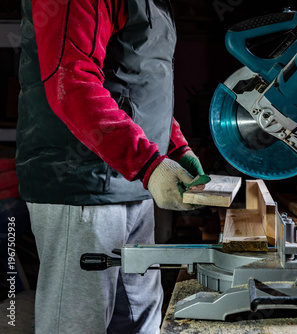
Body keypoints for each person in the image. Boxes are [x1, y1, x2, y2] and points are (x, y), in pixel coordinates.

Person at [15, 0, 208, 332]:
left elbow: (136, 85)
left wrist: (174, 148)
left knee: (140, 322)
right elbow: (72, 83)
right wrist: (147, 162)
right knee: (75, 326)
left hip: (132, 182)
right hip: (80, 185)